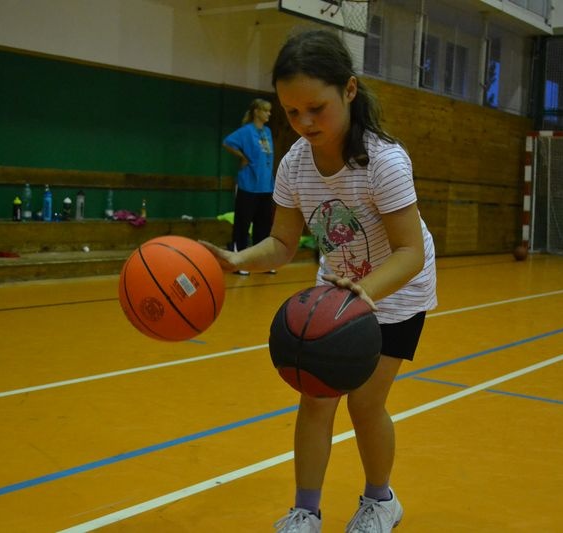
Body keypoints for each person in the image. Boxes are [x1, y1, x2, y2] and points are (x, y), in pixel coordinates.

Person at [202, 29, 436, 533]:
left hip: (397, 291)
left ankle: (381, 501)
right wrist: (234, 259)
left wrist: (365, 294)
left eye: (316, 108)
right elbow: (282, 244)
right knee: (316, 399)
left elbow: (410, 253)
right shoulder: (294, 164)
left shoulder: (384, 162)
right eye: (292, 112)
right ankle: (304, 512)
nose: (304, 122)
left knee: (365, 403)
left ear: (349, 90)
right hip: (338, 290)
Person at [222, 98, 275, 275]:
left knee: (263, 225)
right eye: (266, 110)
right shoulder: (246, 131)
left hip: (266, 186)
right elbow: (227, 142)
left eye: (269, 111)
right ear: (256, 112)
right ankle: (239, 262)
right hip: (248, 185)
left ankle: (261, 261)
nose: (269, 114)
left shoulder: (267, 131)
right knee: (242, 224)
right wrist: (242, 157)